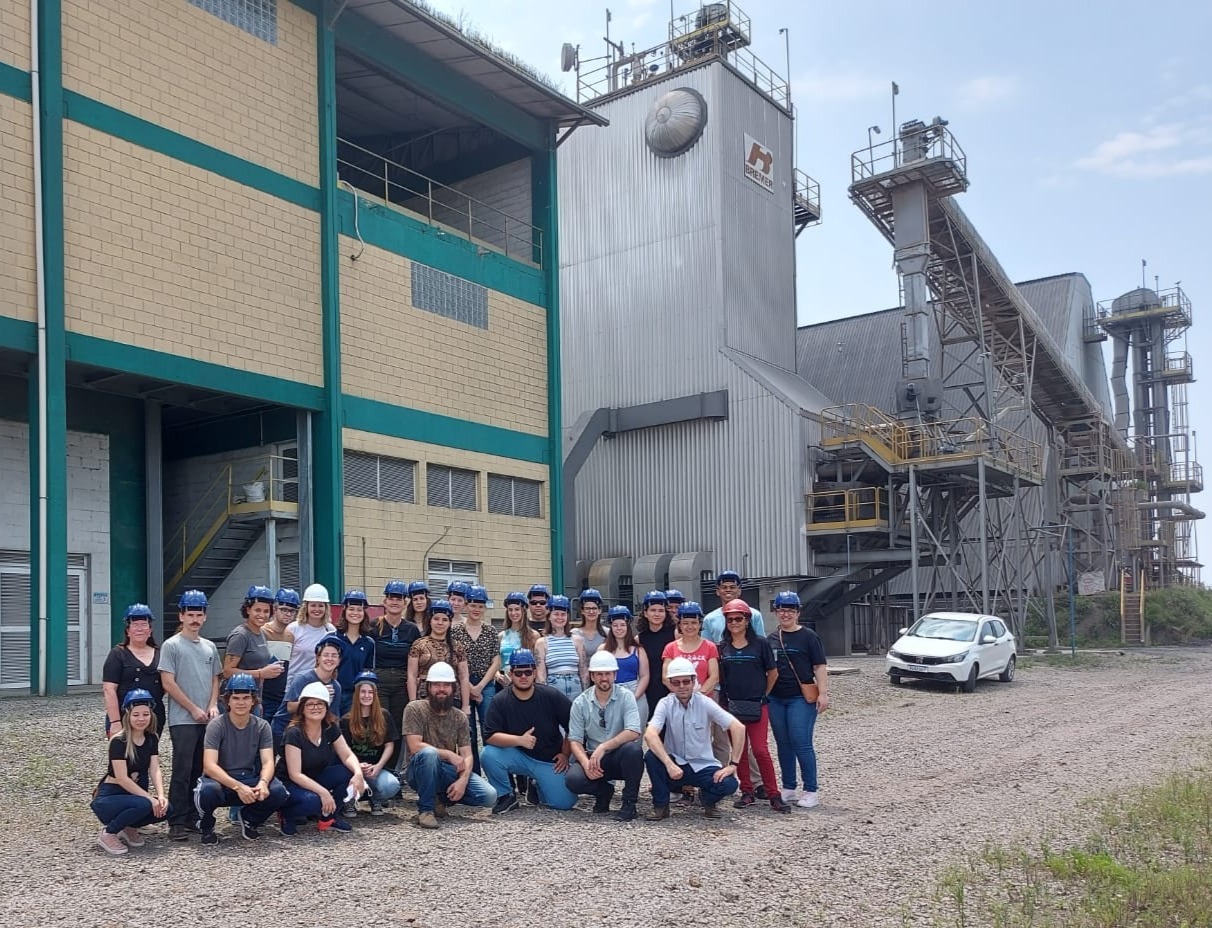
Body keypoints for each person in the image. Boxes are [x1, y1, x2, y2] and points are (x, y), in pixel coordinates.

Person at [644, 657, 745, 820]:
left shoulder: (705, 703)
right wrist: (669, 765)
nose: (682, 686)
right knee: (651, 757)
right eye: (676, 683)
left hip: (702, 765)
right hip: (676, 766)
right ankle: (661, 806)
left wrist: (733, 765)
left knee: (729, 784)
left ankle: (707, 800)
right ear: (670, 684)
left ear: (693, 681)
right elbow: (650, 733)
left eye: (686, 681)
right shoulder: (665, 703)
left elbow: (738, 727)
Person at [194, 673, 289, 844]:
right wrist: (238, 787)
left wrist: (263, 783)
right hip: (222, 782)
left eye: (246, 698)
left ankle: (249, 820)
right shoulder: (216, 725)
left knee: (278, 791)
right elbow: (209, 765)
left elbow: (268, 761)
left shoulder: (262, 726)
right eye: (236, 698)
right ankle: (206, 826)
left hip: (250, 778)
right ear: (227, 701)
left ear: (253, 701)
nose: (241, 702)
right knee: (205, 791)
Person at [402, 661, 497, 829]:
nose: (441, 689)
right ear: (428, 687)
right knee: (429, 754)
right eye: (437, 685)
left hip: (446, 771)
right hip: (418, 769)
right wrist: (448, 754)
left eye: (446, 685)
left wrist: (462, 780)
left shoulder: (459, 717)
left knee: (488, 796)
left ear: (454, 688)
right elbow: (415, 746)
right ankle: (426, 811)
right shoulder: (414, 708)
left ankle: (441, 800)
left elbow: (467, 755)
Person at [159, 589, 222, 841]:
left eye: (199, 614)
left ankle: (194, 817)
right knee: (182, 770)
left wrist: (213, 704)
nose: (195, 619)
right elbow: (168, 683)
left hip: (207, 719)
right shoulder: (171, 645)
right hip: (183, 720)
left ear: (205, 617)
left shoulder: (209, 648)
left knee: (201, 771)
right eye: (190, 614)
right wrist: (193, 708)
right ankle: (176, 820)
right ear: (181, 616)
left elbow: (215, 678)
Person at [481, 649, 577, 814]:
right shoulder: (500, 700)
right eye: (518, 673)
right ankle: (505, 796)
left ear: (534, 673)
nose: (523, 676)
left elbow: (573, 726)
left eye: (527, 672)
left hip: (549, 760)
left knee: (564, 803)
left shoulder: (551, 695)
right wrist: (518, 740)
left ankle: (536, 786)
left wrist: (565, 754)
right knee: (488, 754)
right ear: (511, 674)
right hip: (518, 757)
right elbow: (490, 736)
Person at [718, 600, 789, 813]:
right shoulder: (721, 647)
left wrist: (763, 695)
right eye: (730, 619)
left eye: (738, 618)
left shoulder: (761, 644)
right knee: (738, 750)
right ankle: (747, 791)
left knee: (760, 749)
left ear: (747, 620)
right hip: (732, 707)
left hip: (758, 705)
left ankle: (774, 794)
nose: (734, 623)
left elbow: (773, 672)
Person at [768, 591, 830, 809]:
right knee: (783, 744)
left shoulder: (809, 636)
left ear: (798, 612)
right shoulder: (772, 638)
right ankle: (788, 786)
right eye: (781, 609)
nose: (785, 614)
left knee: (801, 742)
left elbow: (819, 666)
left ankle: (811, 789)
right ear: (776, 612)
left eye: (790, 610)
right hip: (776, 698)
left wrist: (823, 693)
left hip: (800, 698)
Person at [279, 681, 367, 834]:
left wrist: (358, 774)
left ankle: (328, 818)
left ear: (326, 707)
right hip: (290, 782)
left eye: (320, 704)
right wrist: (324, 792)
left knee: (347, 772)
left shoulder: (330, 728)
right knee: (314, 801)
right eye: (310, 704)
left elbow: (347, 755)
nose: (316, 708)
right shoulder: (294, 733)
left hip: (315, 777)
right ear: (302, 708)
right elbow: (295, 774)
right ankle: (286, 814)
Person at [91, 688, 169, 856]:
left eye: (145, 714)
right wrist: (150, 798)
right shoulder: (119, 741)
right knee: (145, 804)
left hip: (132, 796)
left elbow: (154, 768)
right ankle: (109, 833)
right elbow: (121, 778)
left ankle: (128, 826)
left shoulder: (151, 738)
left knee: (168, 808)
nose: (141, 719)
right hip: (109, 797)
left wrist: (161, 796)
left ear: (151, 715)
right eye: (136, 715)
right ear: (128, 715)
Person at [566, 651, 643, 821]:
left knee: (634, 751)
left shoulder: (626, 696)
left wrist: (604, 746)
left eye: (608, 673)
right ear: (592, 676)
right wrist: (586, 764)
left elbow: (634, 731)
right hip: (594, 758)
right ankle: (604, 792)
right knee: (573, 780)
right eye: (599, 674)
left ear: (615, 675)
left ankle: (629, 803)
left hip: (618, 755)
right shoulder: (580, 702)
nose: (604, 678)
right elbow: (575, 740)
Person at [452, 584, 500, 775]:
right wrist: (469, 687)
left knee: (489, 732)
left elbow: (496, 660)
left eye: (480, 606)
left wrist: (479, 687)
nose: (476, 610)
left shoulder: (490, 631)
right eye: (473, 605)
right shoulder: (455, 631)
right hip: (462, 684)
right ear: (466, 606)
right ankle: (473, 775)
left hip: (485, 684)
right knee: (468, 733)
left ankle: (494, 773)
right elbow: (453, 660)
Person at [339, 671, 401, 816]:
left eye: (370, 692)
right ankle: (350, 800)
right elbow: (344, 750)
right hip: (353, 768)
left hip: (376, 768)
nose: (367, 696)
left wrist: (378, 766)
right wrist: (358, 768)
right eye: (363, 692)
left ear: (375, 694)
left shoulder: (384, 715)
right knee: (343, 776)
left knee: (391, 784)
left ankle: (376, 799)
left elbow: (389, 745)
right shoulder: (346, 720)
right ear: (357, 694)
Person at [373, 579, 418, 768]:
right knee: (380, 725)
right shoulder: (373, 626)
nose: (394, 601)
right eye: (391, 597)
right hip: (379, 681)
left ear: (405, 603)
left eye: (399, 598)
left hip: (402, 682)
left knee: (399, 728)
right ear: (385, 601)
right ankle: (376, 769)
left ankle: (392, 771)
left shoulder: (412, 629)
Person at [102, 603, 165, 738]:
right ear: (128, 630)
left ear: (150, 630)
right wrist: (115, 721)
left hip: (153, 717)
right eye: (135, 625)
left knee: (150, 754)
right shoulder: (117, 654)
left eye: (143, 625)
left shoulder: (161, 653)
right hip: (124, 715)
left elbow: (168, 684)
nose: (139, 629)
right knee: (122, 755)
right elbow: (109, 689)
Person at [271, 634, 344, 747]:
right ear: (318, 658)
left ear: (339, 661)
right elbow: (289, 707)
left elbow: (333, 717)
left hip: (312, 734)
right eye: (326, 655)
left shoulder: (336, 687)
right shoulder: (303, 678)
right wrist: (318, 695)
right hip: (285, 730)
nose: (330, 659)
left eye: (334, 656)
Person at [408, 599, 471, 719]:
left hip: (452, 697)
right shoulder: (418, 645)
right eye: (436, 619)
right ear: (430, 621)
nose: (440, 623)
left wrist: (466, 705)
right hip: (424, 697)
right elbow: (411, 675)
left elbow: (463, 677)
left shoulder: (457, 647)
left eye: (444, 620)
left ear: (450, 623)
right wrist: (412, 702)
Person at [223, 586, 285, 707]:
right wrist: (261, 673)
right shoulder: (240, 635)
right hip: (238, 701)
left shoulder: (260, 632)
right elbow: (227, 671)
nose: (262, 615)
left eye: (266, 611)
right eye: (257, 610)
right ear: (248, 610)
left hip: (254, 698)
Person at [601, 604, 651, 727]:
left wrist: (635, 696)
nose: (619, 628)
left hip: (635, 693)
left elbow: (644, 676)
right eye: (615, 625)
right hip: (611, 694)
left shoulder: (638, 650)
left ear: (628, 626)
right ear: (611, 627)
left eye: (622, 625)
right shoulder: (602, 650)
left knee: (635, 738)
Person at [661, 601, 719, 697]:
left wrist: (697, 697)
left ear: (700, 624)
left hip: (703, 701)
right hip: (678, 701)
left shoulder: (710, 647)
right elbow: (665, 677)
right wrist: (683, 696)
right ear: (679, 625)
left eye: (694, 623)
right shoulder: (670, 648)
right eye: (685, 623)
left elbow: (714, 677)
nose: (690, 626)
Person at [535, 595, 587, 700]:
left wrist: (586, 693)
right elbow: (541, 674)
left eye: (563, 614)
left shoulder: (578, 640)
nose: (560, 617)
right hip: (553, 687)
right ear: (549, 616)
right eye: (556, 614)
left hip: (576, 686)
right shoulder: (541, 642)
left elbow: (583, 670)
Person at [286, 583, 336, 688]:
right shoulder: (293, 628)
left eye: (321, 605)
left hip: (320, 686)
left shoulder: (330, 630)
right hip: (294, 685)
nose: (317, 609)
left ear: (326, 608)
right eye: (313, 605)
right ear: (306, 607)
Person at [335, 590, 375, 716]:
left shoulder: (368, 643)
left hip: (356, 697)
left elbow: (368, 671)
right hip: (335, 693)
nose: (355, 613)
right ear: (344, 611)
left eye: (359, 610)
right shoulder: (333, 638)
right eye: (351, 609)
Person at [261, 588, 299, 722]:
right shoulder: (262, 632)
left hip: (281, 695)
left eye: (292, 611)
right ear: (275, 609)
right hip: (262, 696)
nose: (288, 614)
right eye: (284, 609)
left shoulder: (290, 637)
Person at [635, 591, 676, 710]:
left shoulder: (676, 634)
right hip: (650, 690)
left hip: (672, 688)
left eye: (661, 610)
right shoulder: (639, 639)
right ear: (645, 613)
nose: (657, 614)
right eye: (653, 610)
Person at [701, 570, 765, 644]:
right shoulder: (709, 619)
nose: (728, 590)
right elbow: (706, 648)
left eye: (732, 587)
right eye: (724, 587)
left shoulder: (754, 615)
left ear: (739, 591)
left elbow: (761, 644)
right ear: (718, 592)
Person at [495, 591, 538, 688]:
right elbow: (496, 663)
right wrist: (497, 675)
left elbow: (537, 664)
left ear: (523, 611)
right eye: (510, 610)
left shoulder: (533, 635)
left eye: (517, 609)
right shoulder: (501, 636)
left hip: (524, 681)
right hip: (503, 684)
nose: (513, 613)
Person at [572, 588, 606, 656]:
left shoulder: (607, 633)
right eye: (587, 608)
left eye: (594, 608)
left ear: (600, 611)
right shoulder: (574, 633)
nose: (591, 612)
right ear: (582, 611)